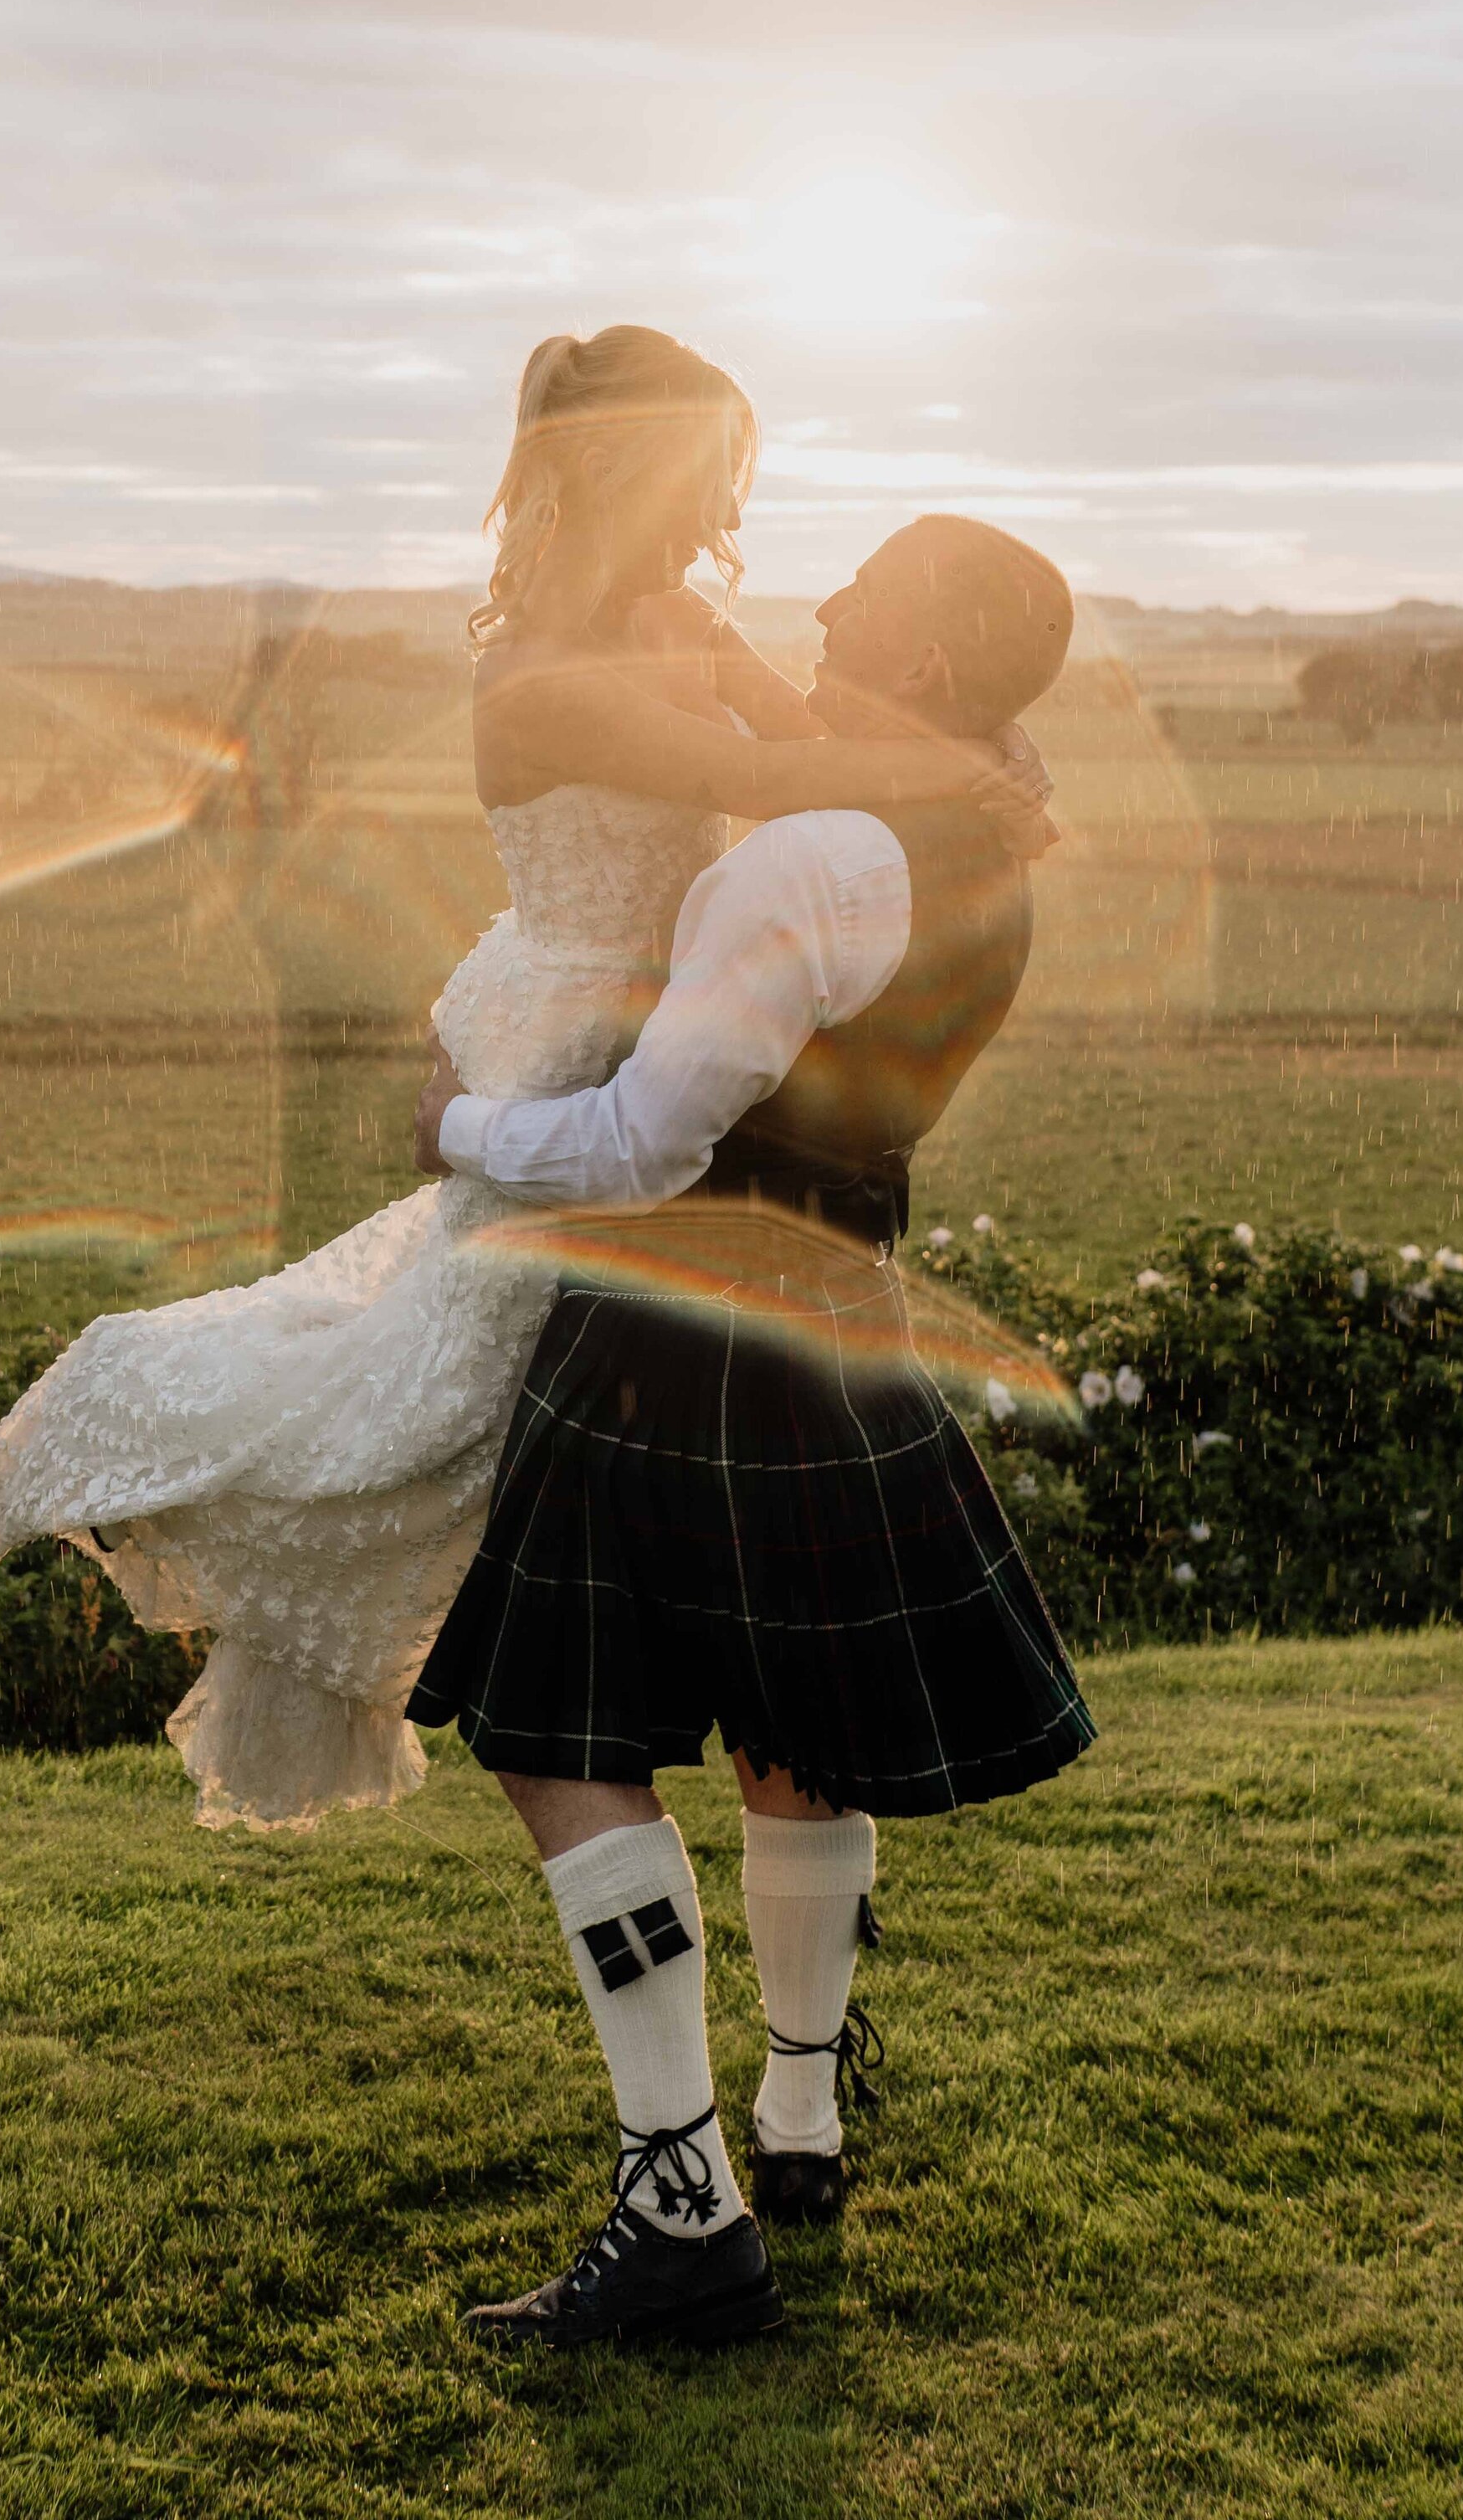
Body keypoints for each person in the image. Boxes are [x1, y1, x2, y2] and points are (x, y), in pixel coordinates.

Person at [0, 329, 1054, 1832]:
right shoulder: (537, 684)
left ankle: (628, 1684)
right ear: (622, 473)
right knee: (438, 1405)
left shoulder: (679, 618)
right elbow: (784, 782)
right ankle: (236, 1470)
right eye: (708, 483)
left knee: (536, 1398)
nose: (725, 527)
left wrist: (966, 747)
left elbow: (816, 737)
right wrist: (979, 775)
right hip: (570, 1031)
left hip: (654, 1021)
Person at [407, 512, 1096, 2353]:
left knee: (552, 1729)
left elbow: (642, 1140)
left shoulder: (797, 861)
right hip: (844, 1298)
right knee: (798, 1717)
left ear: (929, 665)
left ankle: (681, 2203)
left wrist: (458, 1133)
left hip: (676, 1315)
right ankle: (800, 2112)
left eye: (865, 590)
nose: (825, 600)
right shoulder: (987, 843)